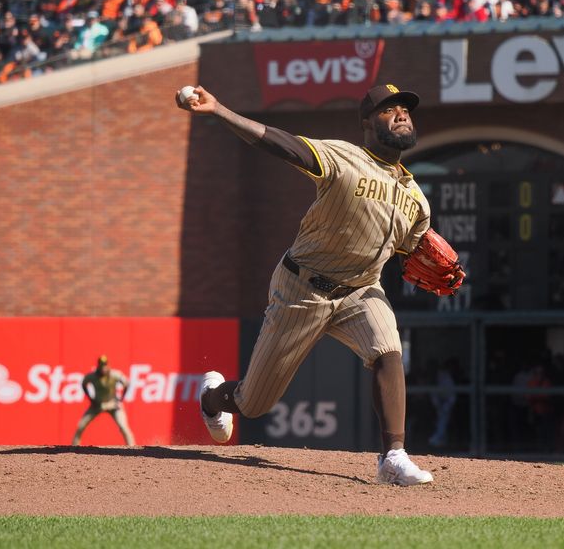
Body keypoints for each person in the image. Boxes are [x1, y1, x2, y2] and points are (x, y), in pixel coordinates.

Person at [176, 82, 445, 485]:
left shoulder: (417, 201)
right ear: (368, 123)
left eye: (405, 108)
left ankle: (393, 457)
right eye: (389, 109)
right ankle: (213, 397)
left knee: (388, 351)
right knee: (253, 403)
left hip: (361, 291)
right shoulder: (343, 156)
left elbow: (411, 250)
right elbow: (279, 143)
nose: (402, 113)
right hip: (303, 288)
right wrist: (220, 110)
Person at [72, 355, 135, 446]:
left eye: (105, 365)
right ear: (98, 366)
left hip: (113, 404)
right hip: (97, 404)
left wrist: (121, 399)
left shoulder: (114, 374)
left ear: (108, 365)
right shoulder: (92, 376)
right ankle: (74, 448)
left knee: (124, 427)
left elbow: (126, 383)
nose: (103, 368)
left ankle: (132, 448)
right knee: (80, 426)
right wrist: (91, 398)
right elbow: (83, 384)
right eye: (101, 365)